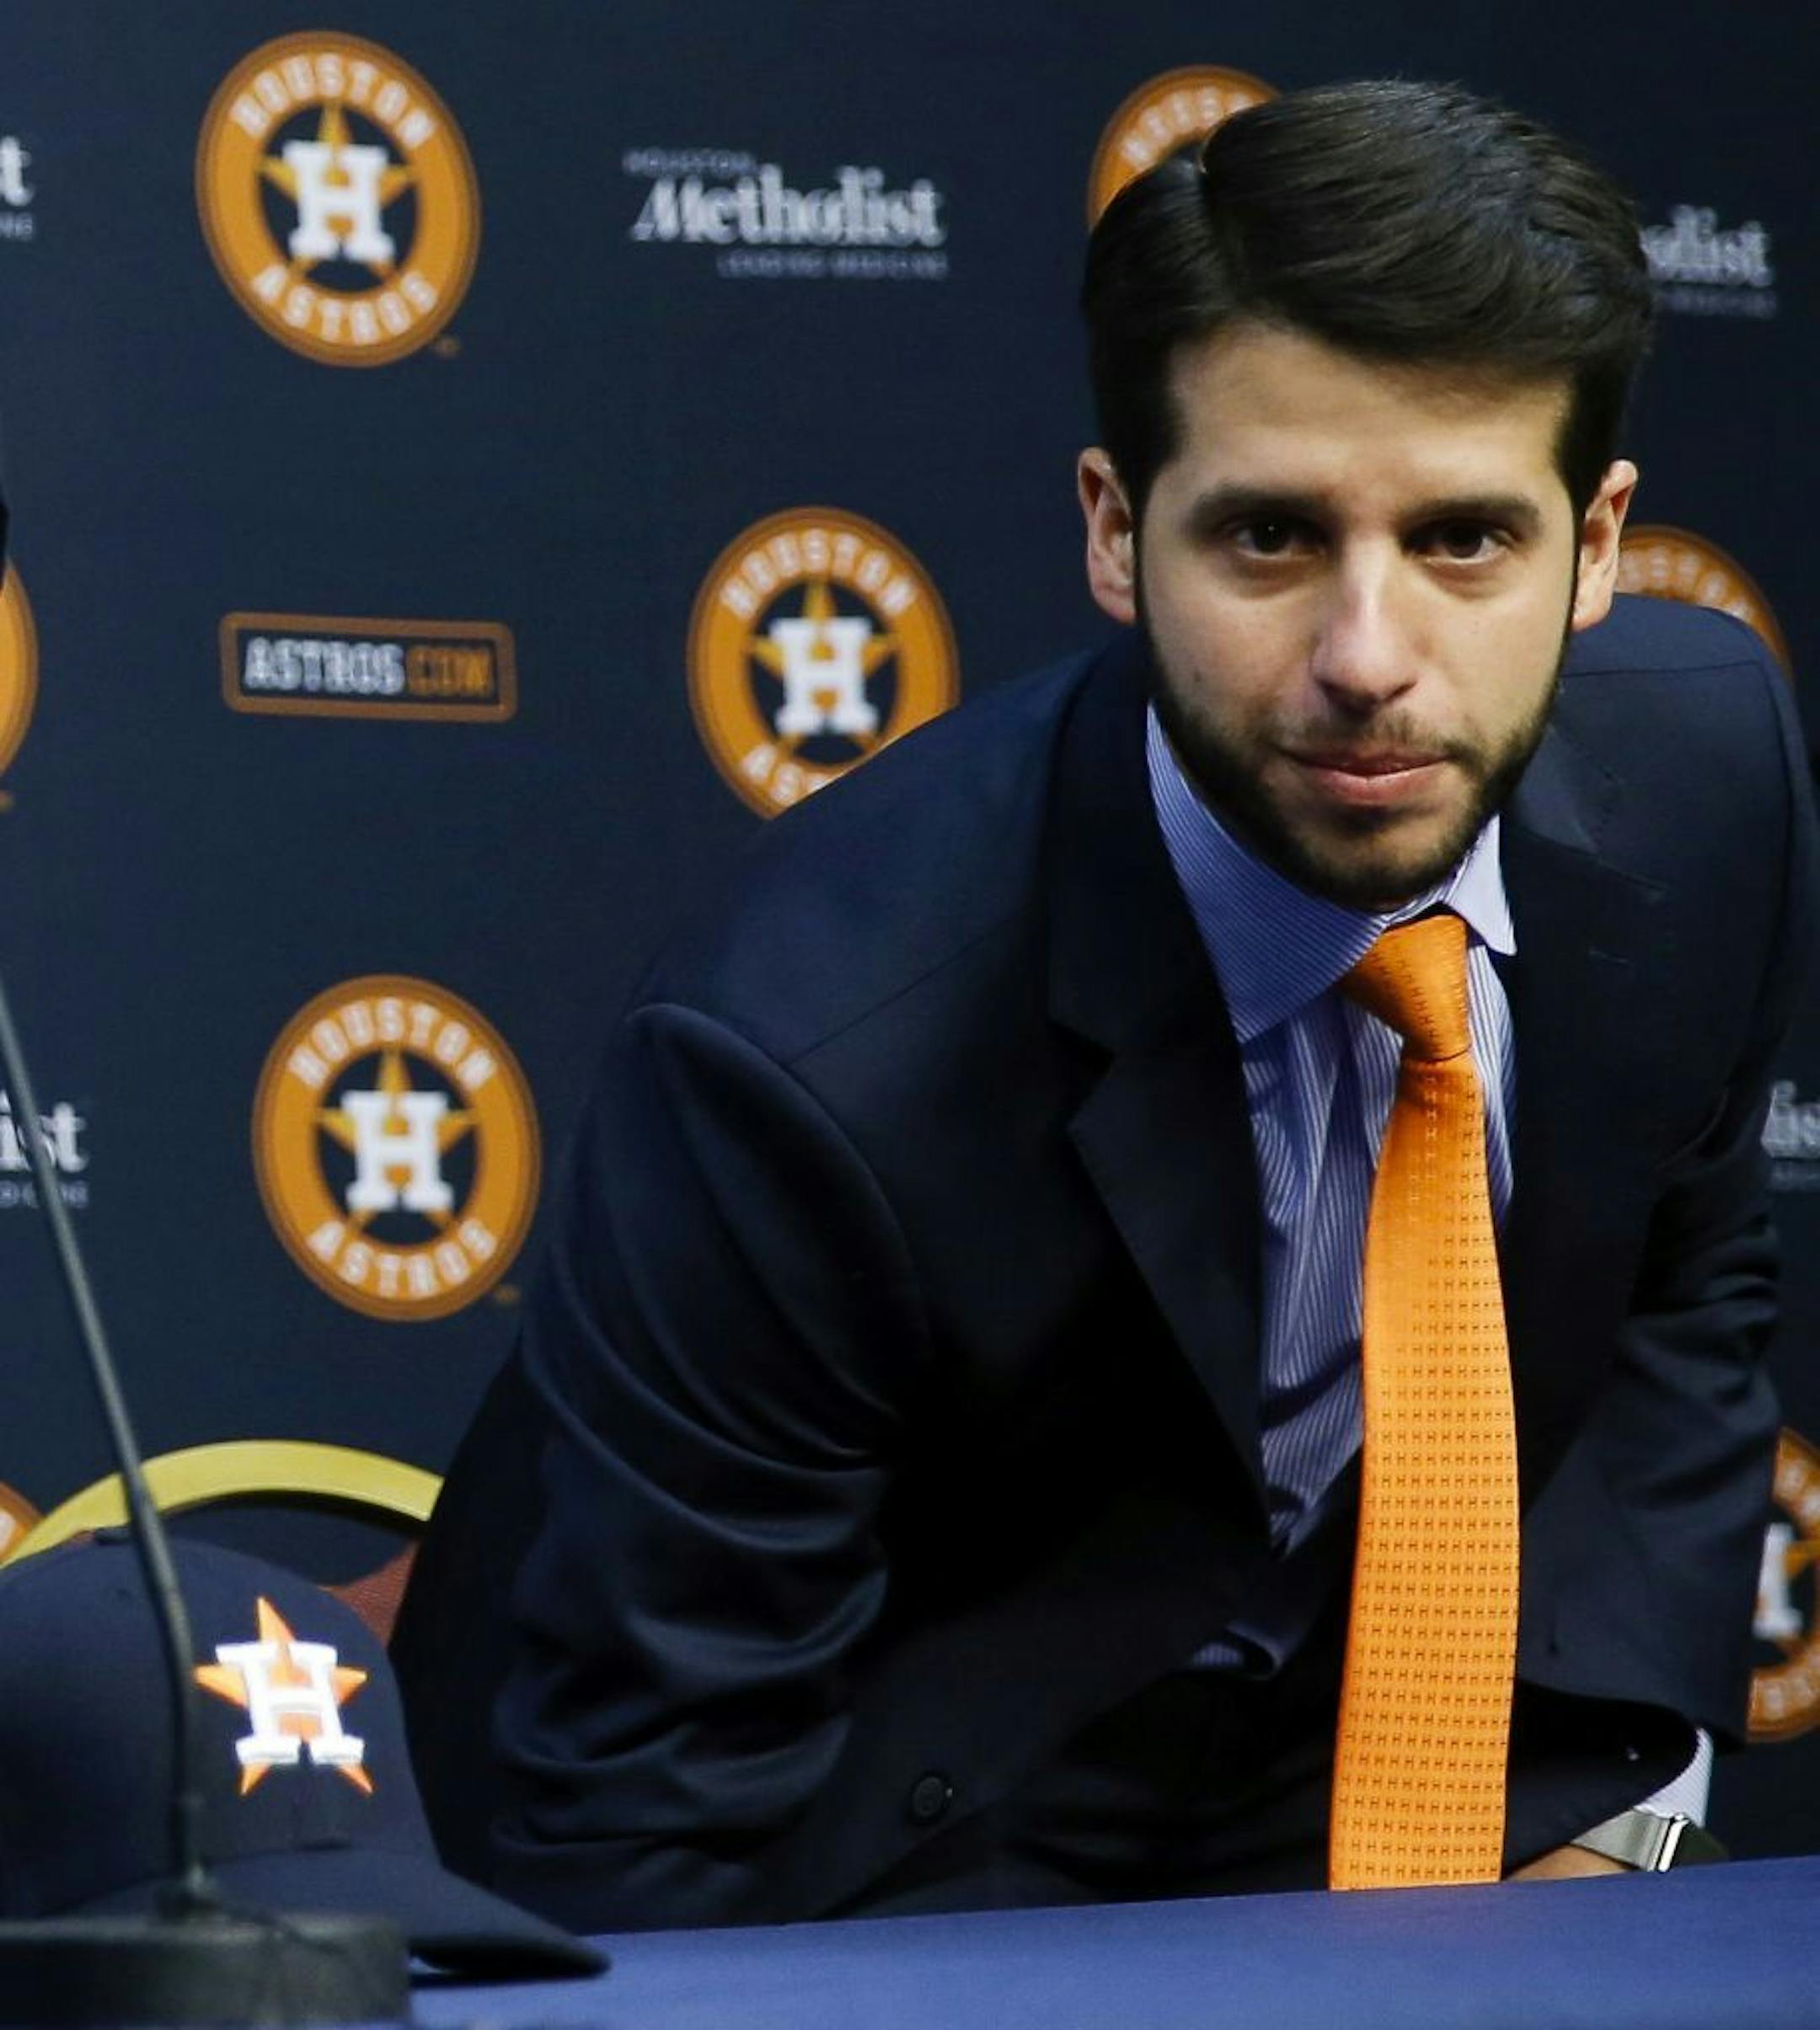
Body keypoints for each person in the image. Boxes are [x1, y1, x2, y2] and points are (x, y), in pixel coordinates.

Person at [392, 79, 1814, 1929]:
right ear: (1113, 528)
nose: (1369, 657)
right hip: (887, 1836)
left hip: (1355, 1755)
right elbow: (644, 1823)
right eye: (1269, 536)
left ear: (1600, 542)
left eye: (1466, 539)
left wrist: (1608, 1800)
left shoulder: (1712, 778)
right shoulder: (801, 1059)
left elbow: (1682, 1285)